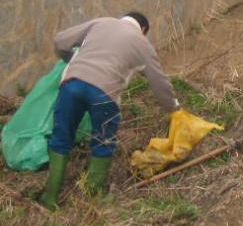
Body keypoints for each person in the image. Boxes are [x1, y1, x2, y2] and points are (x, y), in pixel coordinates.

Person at [39, 12, 180, 210]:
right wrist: (173, 107)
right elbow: (159, 82)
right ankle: (93, 196)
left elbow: (60, 41)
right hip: (104, 93)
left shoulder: (101, 22)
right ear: (143, 30)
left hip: (72, 84)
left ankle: (50, 197)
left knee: (61, 137)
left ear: (123, 18)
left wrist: (72, 60)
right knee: (103, 142)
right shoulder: (142, 43)